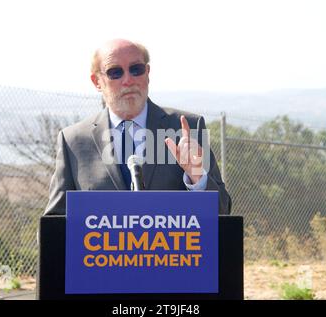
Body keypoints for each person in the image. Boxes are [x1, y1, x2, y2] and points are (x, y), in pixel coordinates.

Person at [44, 39, 231, 215]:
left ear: (147, 73)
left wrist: (197, 178)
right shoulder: (74, 141)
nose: (128, 80)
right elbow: (54, 224)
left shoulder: (185, 129)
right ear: (97, 82)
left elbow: (222, 211)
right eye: (115, 72)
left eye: (136, 69)